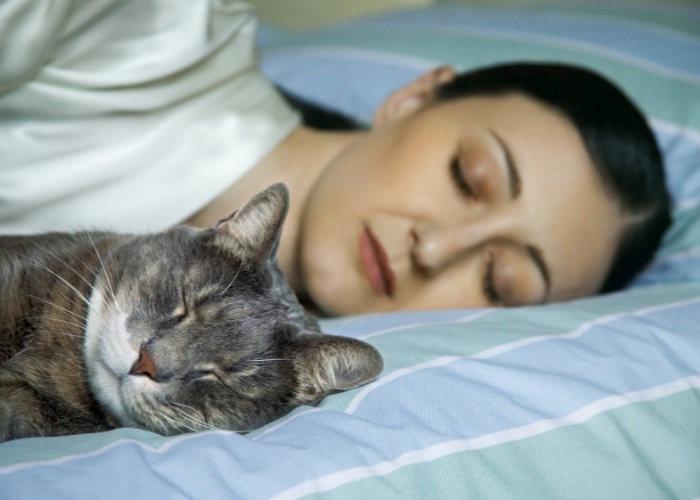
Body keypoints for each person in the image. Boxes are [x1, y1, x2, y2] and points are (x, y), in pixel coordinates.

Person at [0, 0, 670, 316]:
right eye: (469, 179)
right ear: (413, 100)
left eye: (500, 283)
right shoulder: (158, 24)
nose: (435, 250)